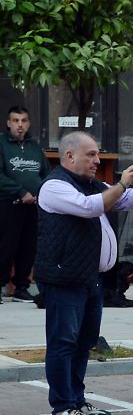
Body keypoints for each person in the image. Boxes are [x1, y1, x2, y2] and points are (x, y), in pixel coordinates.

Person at [36, 132, 133, 415]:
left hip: (90, 277)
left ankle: (76, 400)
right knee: (63, 342)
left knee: (83, 341)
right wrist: (122, 183)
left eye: (97, 154)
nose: (97, 160)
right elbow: (91, 207)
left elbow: (131, 201)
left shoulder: (93, 185)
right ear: (69, 157)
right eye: (90, 155)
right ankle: (62, 408)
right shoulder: (54, 186)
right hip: (65, 278)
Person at [0, 106, 49, 303]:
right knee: (5, 246)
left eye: (24, 121)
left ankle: (21, 287)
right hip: (8, 203)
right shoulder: (2, 144)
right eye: (16, 120)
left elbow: (45, 173)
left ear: (28, 123)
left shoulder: (34, 147)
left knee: (28, 248)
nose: (20, 125)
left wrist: (43, 193)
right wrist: (21, 192)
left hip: (33, 206)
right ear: (8, 123)